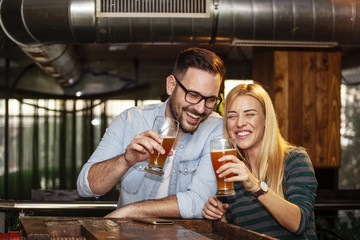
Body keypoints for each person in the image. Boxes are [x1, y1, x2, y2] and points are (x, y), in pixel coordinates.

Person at [77, 47, 226, 219]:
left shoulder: (217, 129)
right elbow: (86, 187)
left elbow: (199, 202)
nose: (200, 109)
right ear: (171, 85)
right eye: (193, 95)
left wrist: (131, 211)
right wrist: (125, 161)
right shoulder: (131, 119)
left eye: (211, 99)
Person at [202, 83, 318, 239]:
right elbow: (235, 234)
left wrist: (256, 186)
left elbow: (299, 223)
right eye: (232, 115)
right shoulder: (231, 175)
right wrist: (217, 216)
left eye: (249, 114)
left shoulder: (295, 159)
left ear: (265, 119)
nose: (240, 123)